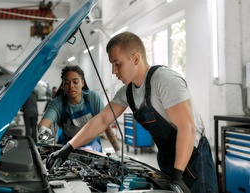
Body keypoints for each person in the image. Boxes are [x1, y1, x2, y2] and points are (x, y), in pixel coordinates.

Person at [46, 32, 218, 193]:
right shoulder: (127, 92)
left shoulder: (164, 80)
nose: (114, 71)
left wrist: (178, 175)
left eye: (117, 63)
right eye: (112, 64)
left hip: (193, 159)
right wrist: (68, 148)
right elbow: (102, 120)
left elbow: (187, 128)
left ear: (135, 58)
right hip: (167, 158)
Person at [38, 65, 120, 154]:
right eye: (66, 83)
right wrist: (43, 129)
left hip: (92, 147)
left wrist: (118, 151)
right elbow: (46, 121)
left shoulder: (92, 98)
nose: (71, 86)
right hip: (66, 147)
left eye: (75, 82)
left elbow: (105, 124)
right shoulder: (57, 102)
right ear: (63, 86)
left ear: (82, 83)